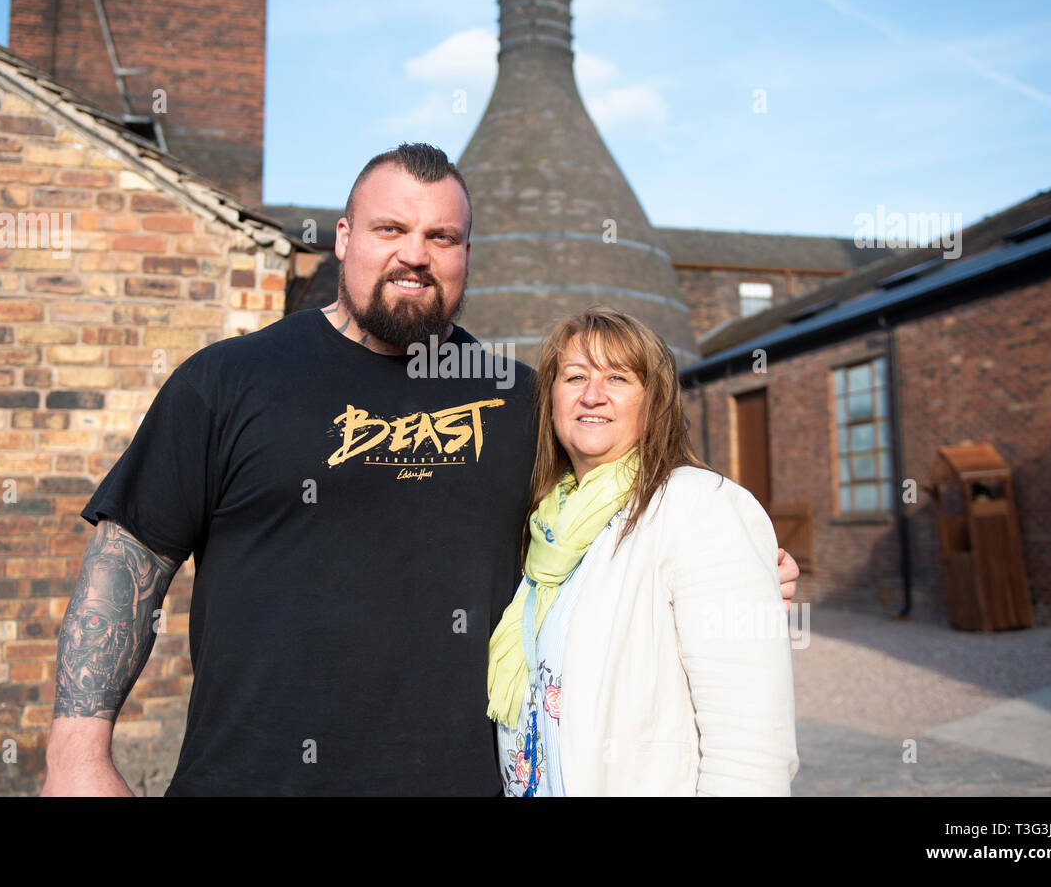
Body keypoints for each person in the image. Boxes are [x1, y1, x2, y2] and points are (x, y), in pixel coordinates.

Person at [41, 143, 799, 795]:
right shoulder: (226, 382)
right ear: (343, 238)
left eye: (443, 236)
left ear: (466, 254)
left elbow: (608, 512)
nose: (416, 253)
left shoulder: (519, 398)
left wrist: (732, 563)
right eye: (391, 228)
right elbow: (129, 556)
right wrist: (77, 750)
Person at [488, 306, 799, 796]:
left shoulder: (698, 506)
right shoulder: (548, 524)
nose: (593, 395)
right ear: (551, 399)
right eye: (575, 377)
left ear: (653, 402)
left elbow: (750, 739)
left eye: (618, 377)